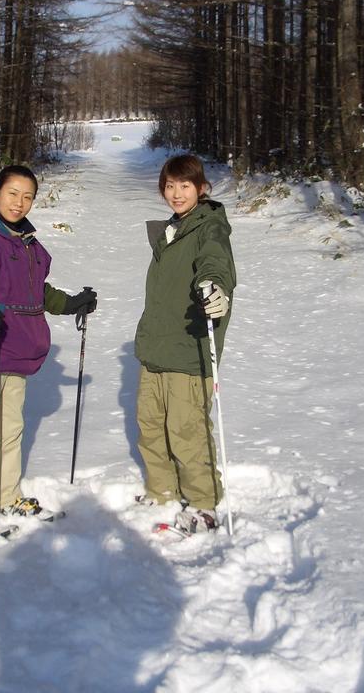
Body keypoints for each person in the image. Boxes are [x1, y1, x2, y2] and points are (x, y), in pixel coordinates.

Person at [0, 165, 97, 521]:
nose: (19, 202)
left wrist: (69, 302)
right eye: (13, 193)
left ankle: (4, 496)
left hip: (16, 348)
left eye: (27, 196)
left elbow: (33, 291)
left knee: (10, 429)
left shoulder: (26, 243)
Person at [134, 154, 236, 534]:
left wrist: (215, 287)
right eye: (170, 185)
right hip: (156, 348)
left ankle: (204, 503)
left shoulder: (209, 228)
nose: (176, 193)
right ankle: (161, 487)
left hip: (188, 350)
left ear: (201, 188)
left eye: (185, 185)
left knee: (187, 430)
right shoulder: (172, 230)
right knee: (150, 424)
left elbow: (215, 263)